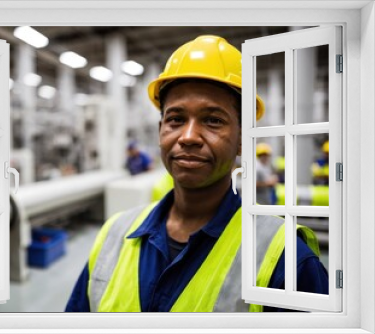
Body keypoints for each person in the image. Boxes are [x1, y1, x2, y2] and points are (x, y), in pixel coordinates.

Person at [65, 35, 328, 312]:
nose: (188, 137)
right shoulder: (114, 235)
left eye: (213, 120)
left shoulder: (286, 261)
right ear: (160, 131)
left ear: (243, 139)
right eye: (176, 119)